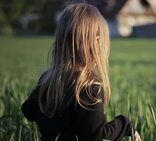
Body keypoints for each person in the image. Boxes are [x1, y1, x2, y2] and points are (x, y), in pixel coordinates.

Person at [21, 2, 141, 141]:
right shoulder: (89, 88)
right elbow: (96, 136)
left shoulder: (47, 80)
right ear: (96, 42)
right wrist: (125, 124)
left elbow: (28, 111)